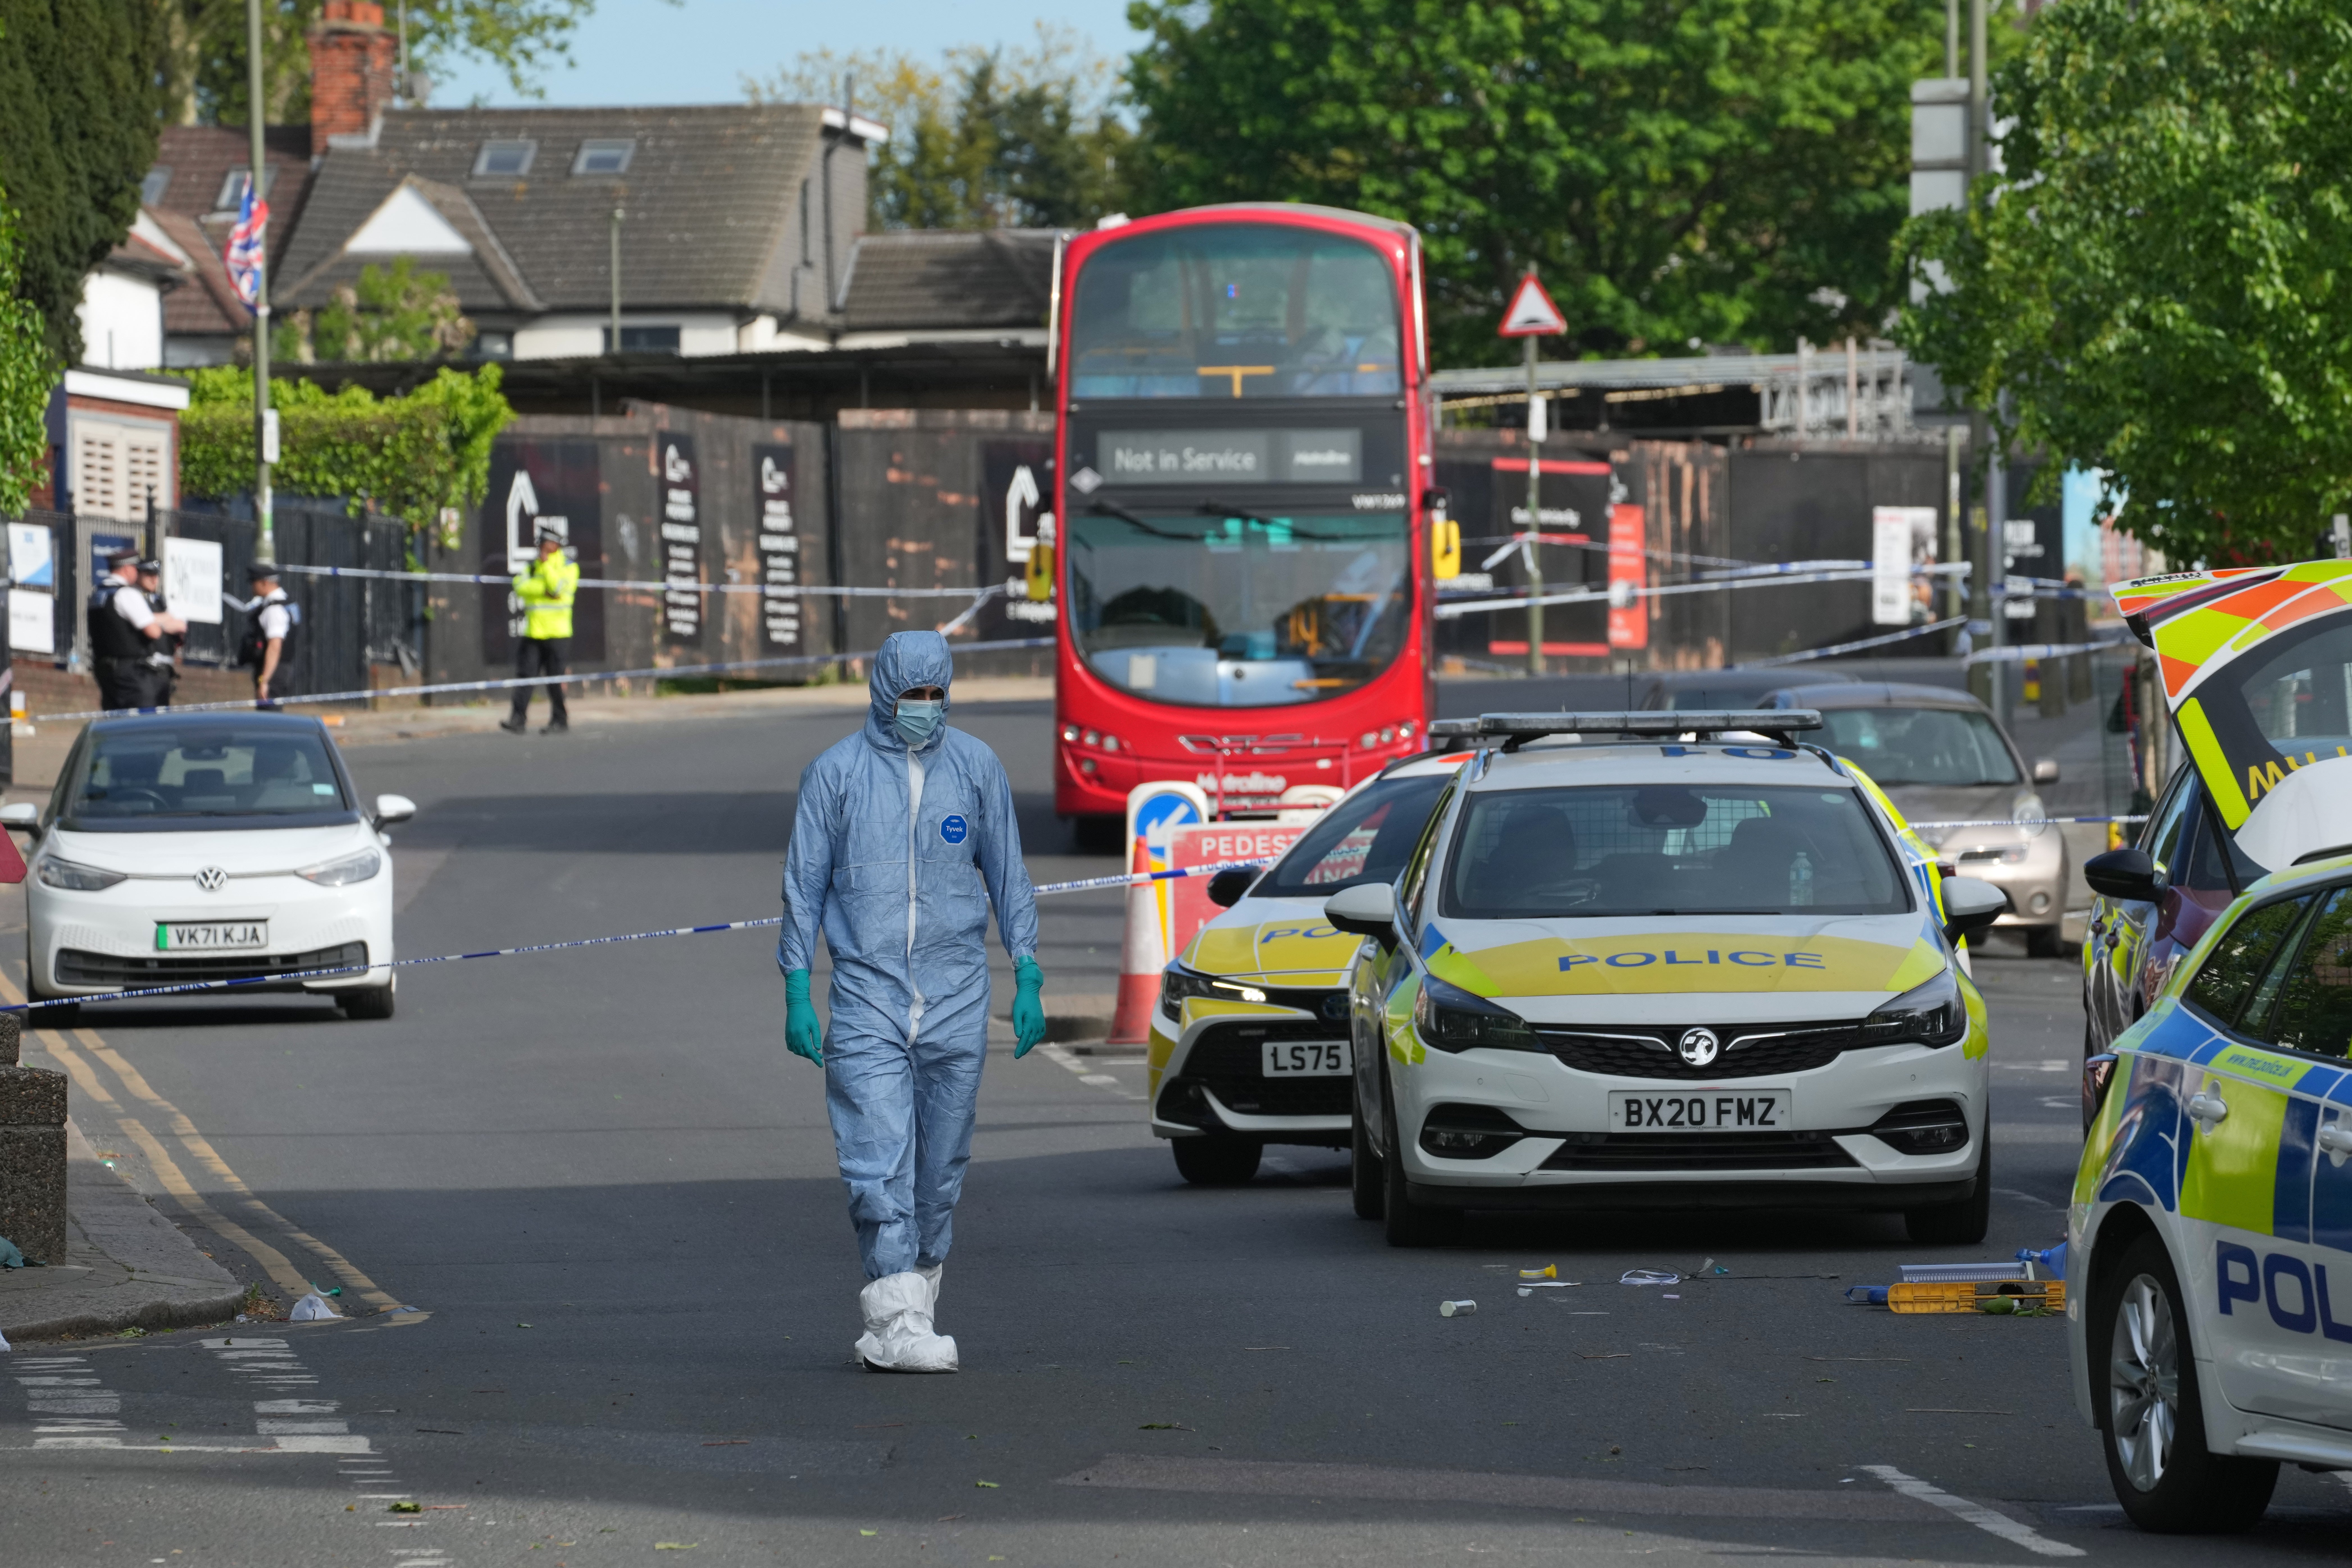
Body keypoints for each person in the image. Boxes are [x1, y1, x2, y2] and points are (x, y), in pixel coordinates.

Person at [778, 631, 1048, 1373]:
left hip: (958, 995)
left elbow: (1009, 876)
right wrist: (798, 987)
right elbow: (803, 886)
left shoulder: (975, 768)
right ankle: (897, 1318)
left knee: (940, 1168)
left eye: (935, 695)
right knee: (878, 1157)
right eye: (912, 695)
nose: (924, 709)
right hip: (866, 997)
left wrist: (1027, 971)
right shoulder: (834, 775)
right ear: (882, 691)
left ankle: (905, 1307)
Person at [86, 546, 183, 712]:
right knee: (144, 729)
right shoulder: (127, 594)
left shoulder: (98, 594)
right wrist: (162, 622)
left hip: (105, 670)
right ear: (127, 569)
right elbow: (154, 632)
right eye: (135, 569)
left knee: (115, 725)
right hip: (133, 675)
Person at [501, 527, 578, 734]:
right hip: (534, 632)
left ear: (555, 546)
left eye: (545, 546)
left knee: (554, 680)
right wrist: (543, 589)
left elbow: (557, 589)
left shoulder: (568, 567)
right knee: (525, 677)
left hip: (558, 633)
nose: (541, 550)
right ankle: (517, 720)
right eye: (540, 546)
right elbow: (520, 586)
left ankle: (560, 720)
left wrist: (545, 570)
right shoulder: (532, 567)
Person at [238, 562, 298, 705]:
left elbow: (275, 645)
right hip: (281, 669)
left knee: (270, 720)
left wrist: (265, 681)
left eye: (254, 582)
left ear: (264, 583)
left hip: (273, 672)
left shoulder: (274, 610)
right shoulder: (287, 602)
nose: (252, 587)